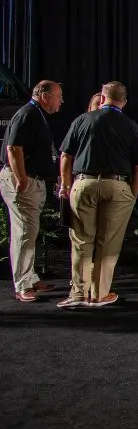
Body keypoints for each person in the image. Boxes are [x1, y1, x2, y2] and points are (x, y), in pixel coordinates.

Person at [56, 81, 138, 308]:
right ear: (123, 102)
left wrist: (66, 186)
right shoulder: (131, 126)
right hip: (117, 186)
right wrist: (132, 195)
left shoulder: (82, 120)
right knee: (108, 243)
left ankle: (78, 294)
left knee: (81, 241)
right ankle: (99, 294)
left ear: (103, 97)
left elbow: (66, 156)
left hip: (83, 183)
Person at [0, 80, 62, 302]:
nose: (61, 101)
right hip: (22, 183)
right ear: (44, 96)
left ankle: (31, 277)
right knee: (24, 232)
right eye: (58, 96)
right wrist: (21, 179)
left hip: (33, 182)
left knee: (30, 231)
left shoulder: (36, 114)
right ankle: (22, 284)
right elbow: (13, 147)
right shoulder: (28, 114)